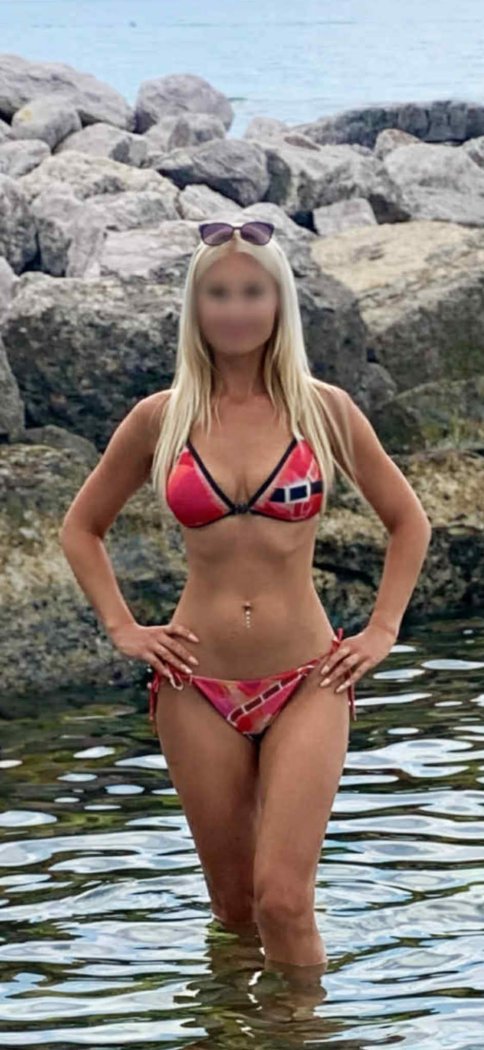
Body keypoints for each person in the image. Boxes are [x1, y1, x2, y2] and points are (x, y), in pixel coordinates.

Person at [59, 219, 432, 979]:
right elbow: (81, 528)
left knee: (284, 901)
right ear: (196, 307)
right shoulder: (161, 418)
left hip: (308, 678)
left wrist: (382, 629)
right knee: (233, 909)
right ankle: (233, 1028)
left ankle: (302, 1031)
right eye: (219, 293)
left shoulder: (323, 410)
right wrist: (124, 628)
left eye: (252, 292)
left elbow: (408, 521)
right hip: (196, 685)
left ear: (279, 301)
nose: (236, 309)